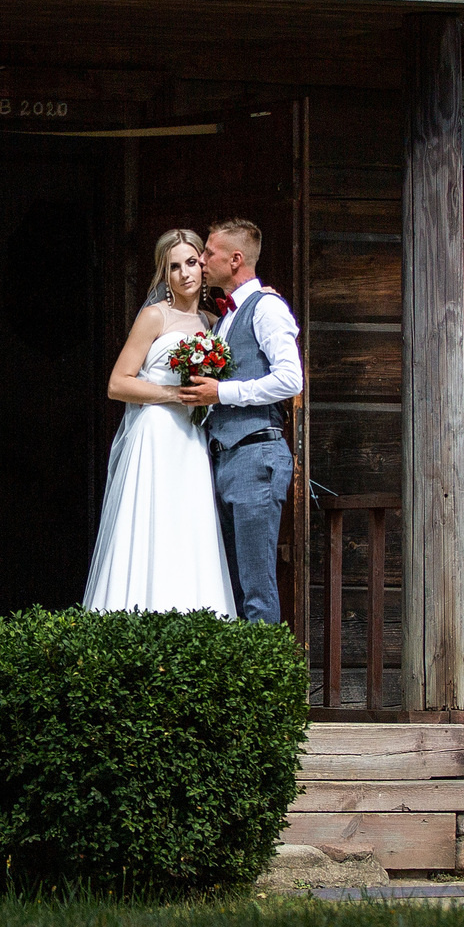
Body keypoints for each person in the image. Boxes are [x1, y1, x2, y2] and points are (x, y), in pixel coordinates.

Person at [80, 228, 237, 616]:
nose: (185, 274)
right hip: (156, 435)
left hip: (192, 439)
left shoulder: (214, 320)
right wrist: (173, 396)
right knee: (152, 525)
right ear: (163, 275)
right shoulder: (154, 317)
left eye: (190, 263)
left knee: (190, 528)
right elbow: (118, 384)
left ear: (203, 264)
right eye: (173, 267)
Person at [175, 218, 302, 624]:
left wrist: (222, 393)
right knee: (231, 585)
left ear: (235, 259)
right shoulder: (224, 317)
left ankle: (267, 682)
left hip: (255, 455)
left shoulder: (266, 308)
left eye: (209, 253)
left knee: (256, 587)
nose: (202, 259)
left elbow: (290, 378)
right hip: (225, 458)